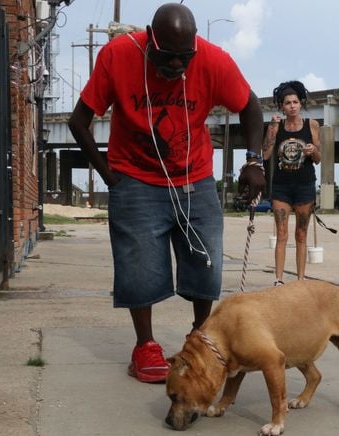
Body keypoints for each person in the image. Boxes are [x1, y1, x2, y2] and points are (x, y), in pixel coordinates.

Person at [67, 3, 265, 384]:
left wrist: (253, 160)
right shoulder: (119, 54)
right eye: (167, 57)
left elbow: (250, 106)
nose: (176, 66)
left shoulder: (212, 60)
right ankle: (145, 346)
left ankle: (201, 338)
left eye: (184, 58)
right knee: (138, 269)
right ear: (149, 39)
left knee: (206, 264)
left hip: (195, 177)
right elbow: (79, 121)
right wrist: (110, 177)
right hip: (136, 179)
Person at [263, 80, 321, 286]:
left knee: (301, 234)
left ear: (300, 103)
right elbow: (266, 153)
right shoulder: (276, 127)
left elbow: (318, 159)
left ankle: (300, 279)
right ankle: (278, 280)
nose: (292, 106)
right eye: (287, 103)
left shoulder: (312, 125)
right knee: (281, 233)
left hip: (304, 186)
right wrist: (272, 129)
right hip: (281, 187)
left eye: (295, 102)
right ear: (281, 106)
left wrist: (313, 151)